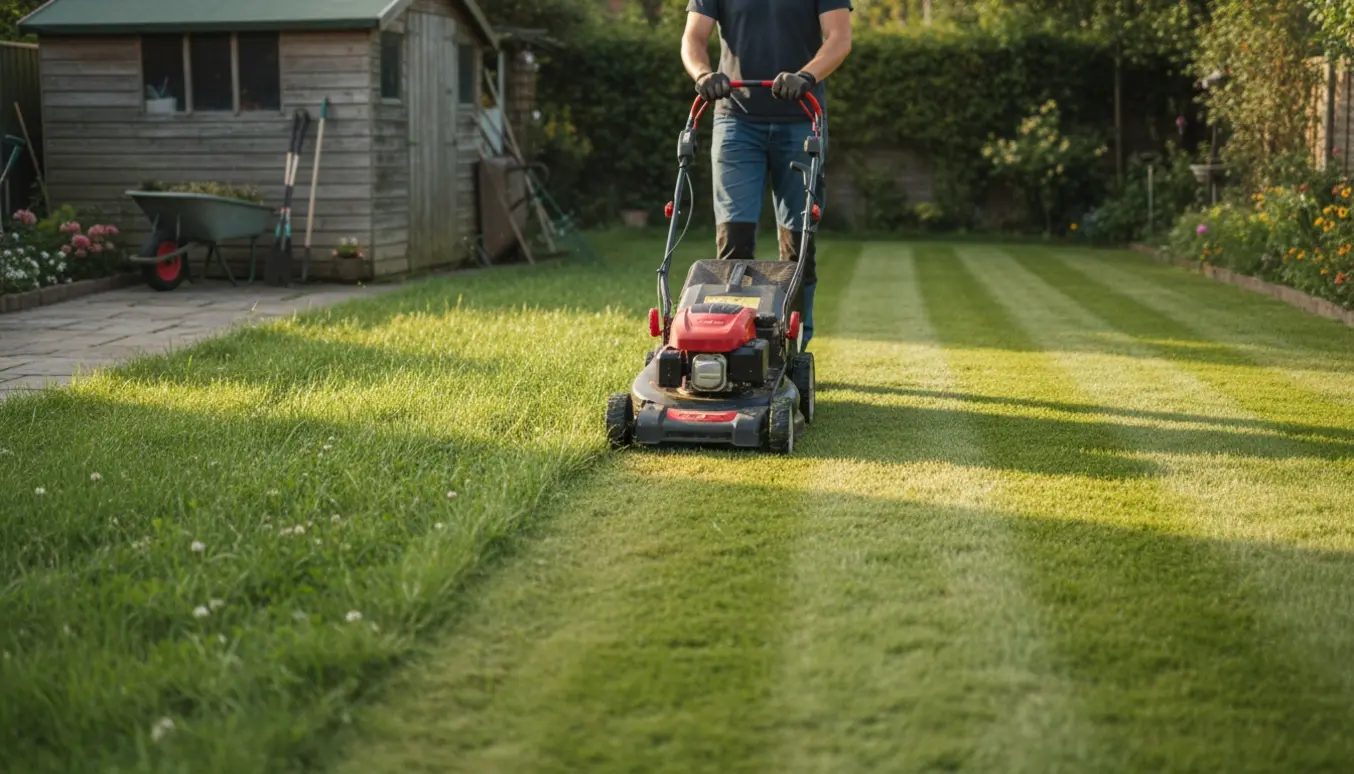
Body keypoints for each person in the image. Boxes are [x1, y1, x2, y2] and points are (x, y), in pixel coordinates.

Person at [681, 0, 852, 349]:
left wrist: (806, 75)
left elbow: (838, 38)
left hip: (802, 117)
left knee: (798, 244)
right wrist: (703, 74)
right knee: (733, 240)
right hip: (736, 120)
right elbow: (693, 38)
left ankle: (792, 346)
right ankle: (730, 345)